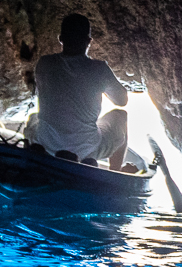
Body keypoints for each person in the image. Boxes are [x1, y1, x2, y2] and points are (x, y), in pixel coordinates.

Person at [25, 14, 140, 172]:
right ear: (88, 41)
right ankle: (114, 172)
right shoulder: (99, 69)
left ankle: (39, 153)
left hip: (47, 143)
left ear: (61, 39)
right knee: (121, 116)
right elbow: (122, 101)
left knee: (33, 119)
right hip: (86, 147)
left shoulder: (45, 63)